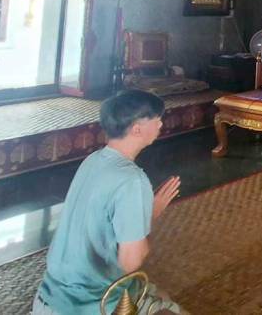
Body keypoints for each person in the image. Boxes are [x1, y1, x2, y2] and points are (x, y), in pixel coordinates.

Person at [33, 90, 184, 315]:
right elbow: (131, 262)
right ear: (137, 129)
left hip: (50, 298)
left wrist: (145, 212)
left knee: (161, 296)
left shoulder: (93, 160)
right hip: (92, 304)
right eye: (156, 119)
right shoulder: (132, 179)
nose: (161, 124)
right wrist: (150, 215)